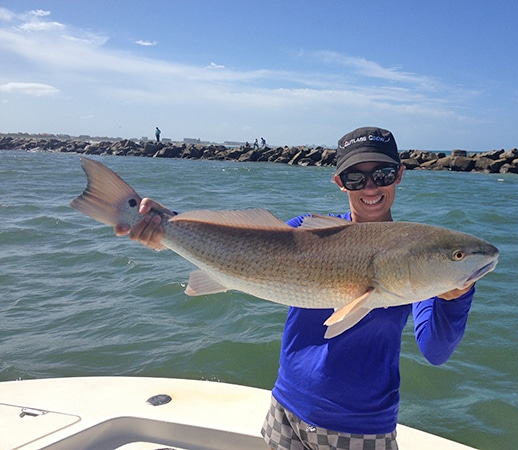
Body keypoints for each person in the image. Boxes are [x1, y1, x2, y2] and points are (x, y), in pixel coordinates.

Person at [115, 126, 475, 450]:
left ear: (399, 175)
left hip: (359, 429)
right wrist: (164, 227)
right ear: (338, 182)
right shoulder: (303, 229)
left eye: (381, 174)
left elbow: (435, 350)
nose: (369, 188)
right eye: (354, 177)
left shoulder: (420, 262)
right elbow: (235, 246)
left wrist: (456, 296)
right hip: (285, 409)